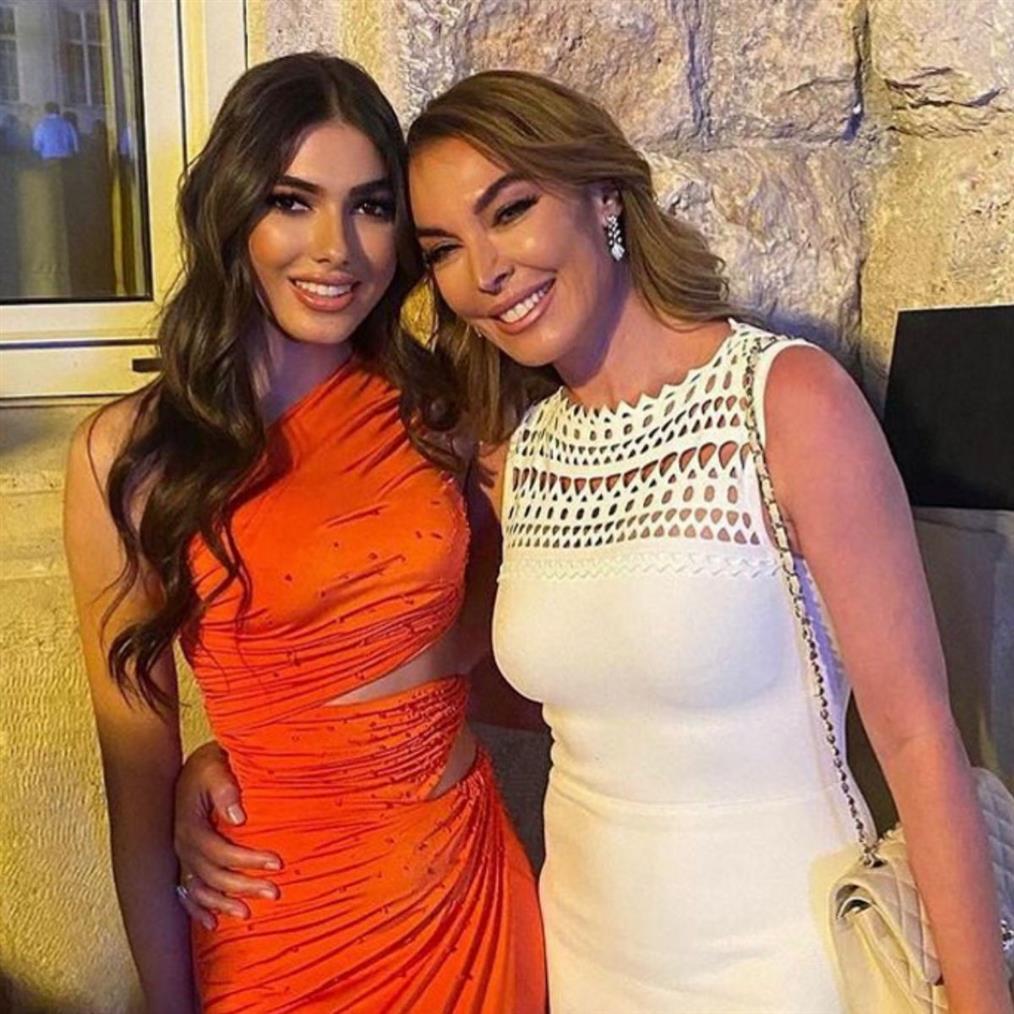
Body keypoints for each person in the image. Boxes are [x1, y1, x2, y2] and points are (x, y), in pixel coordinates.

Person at [175, 69, 1013, 1013]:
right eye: (444, 248)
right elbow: (500, 682)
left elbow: (917, 737)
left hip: (790, 962)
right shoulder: (515, 452)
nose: (485, 271)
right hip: (579, 964)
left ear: (604, 196)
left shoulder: (786, 401)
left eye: (511, 211)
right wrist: (242, 759)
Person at [64, 54, 544, 1014]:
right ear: (232, 209)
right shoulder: (127, 457)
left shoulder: (443, 412)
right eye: (293, 202)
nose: (336, 249)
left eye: (371, 207)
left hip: (469, 899)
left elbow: (519, 641)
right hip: (278, 921)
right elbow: (137, 787)